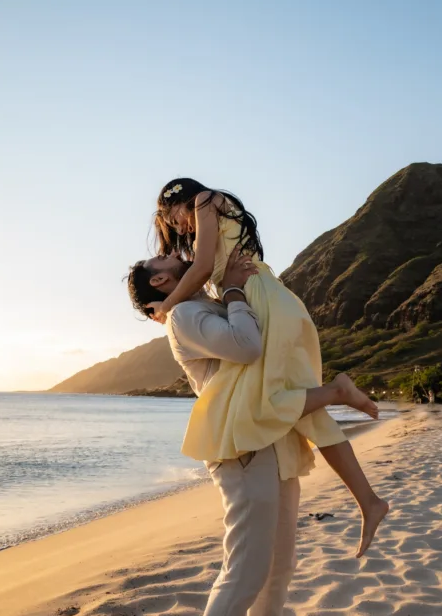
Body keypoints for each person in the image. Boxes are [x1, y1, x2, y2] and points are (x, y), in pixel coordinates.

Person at [126, 248, 330, 616]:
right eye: (164, 259)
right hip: (239, 448)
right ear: (159, 284)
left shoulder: (208, 301)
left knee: (279, 563)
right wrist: (235, 290)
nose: (176, 254)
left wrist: (237, 286)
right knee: (244, 570)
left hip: (271, 436)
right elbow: (246, 346)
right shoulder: (185, 315)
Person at [144, 177, 388, 558]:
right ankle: (369, 501)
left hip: (263, 300)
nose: (179, 228)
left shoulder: (207, 200)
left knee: (265, 402)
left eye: (173, 219)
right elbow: (205, 266)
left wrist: (167, 304)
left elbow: (205, 266)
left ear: (180, 200)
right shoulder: (209, 215)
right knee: (302, 411)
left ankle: (339, 391)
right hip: (269, 299)